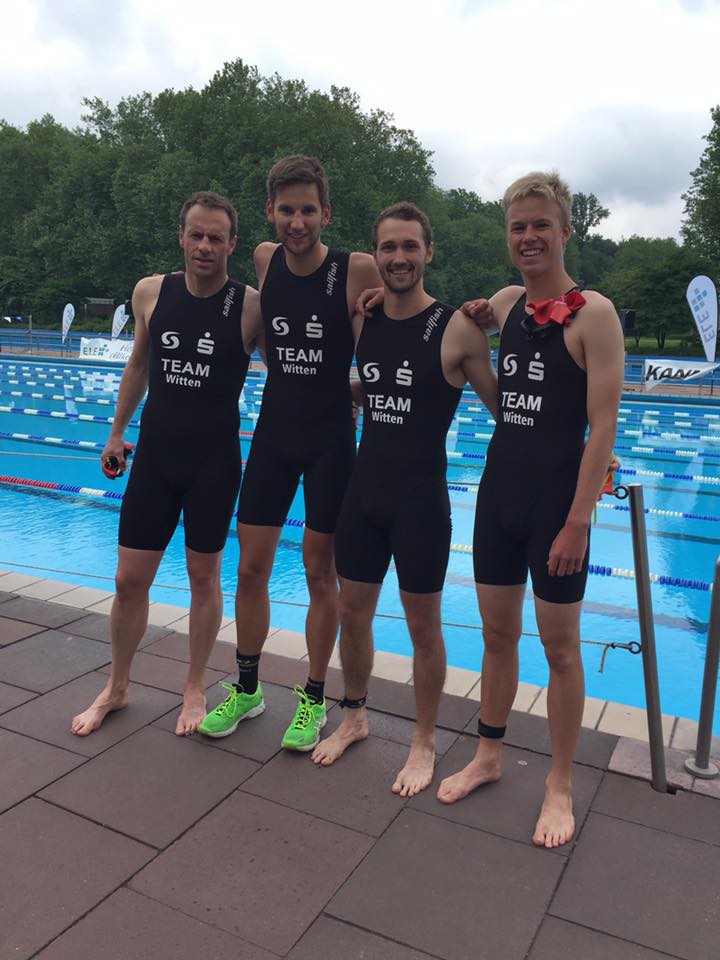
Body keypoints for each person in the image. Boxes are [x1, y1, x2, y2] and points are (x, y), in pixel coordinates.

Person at [436, 172, 625, 848]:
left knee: (561, 646)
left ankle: (560, 783)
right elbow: (473, 321)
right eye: (518, 227)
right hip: (499, 493)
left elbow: (601, 427)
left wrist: (578, 520)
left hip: (557, 505)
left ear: (566, 231)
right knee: (495, 636)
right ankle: (488, 755)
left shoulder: (594, 314)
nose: (529, 237)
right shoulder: (511, 302)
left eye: (541, 224)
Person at [310, 202, 497, 797]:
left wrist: (585, 447)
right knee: (353, 613)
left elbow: (505, 410)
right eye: (388, 247)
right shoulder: (364, 320)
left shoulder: (458, 328)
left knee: (423, 629)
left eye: (409, 247)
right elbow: (370, 383)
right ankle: (356, 717)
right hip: (363, 495)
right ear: (376, 253)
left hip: (420, 503)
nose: (398, 258)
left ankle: (424, 740)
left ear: (428, 253)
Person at [198, 156, 380, 749]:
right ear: (270, 213)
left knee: (318, 573)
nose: (296, 222)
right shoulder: (263, 258)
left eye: (308, 210)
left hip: (330, 440)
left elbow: (386, 344)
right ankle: (247, 689)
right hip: (275, 434)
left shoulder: (357, 269)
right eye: (286, 210)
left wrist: (353, 391)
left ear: (326, 212)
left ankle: (313, 696)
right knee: (250, 567)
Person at [71, 191, 263, 737]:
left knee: (204, 578)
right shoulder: (151, 292)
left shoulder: (250, 306)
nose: (205, 246)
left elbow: (296, 363)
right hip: (155, 456)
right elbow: (138, 364)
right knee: (129, 580)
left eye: (216, 237)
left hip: (214, 463)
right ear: (182, 236)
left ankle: (195, 686)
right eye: (196, 235)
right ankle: (118, 686)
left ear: (232, 243)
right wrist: (115, 432)